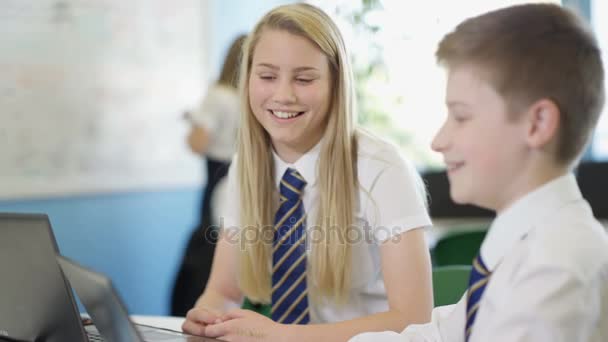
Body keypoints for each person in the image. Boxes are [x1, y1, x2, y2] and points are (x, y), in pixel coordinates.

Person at [351, 3, 607, 342]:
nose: (438, 141)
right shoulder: (521, 240)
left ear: (538, 123)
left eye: (461, 116)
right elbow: (446, 332)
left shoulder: (556, 266)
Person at [181, 3, 434, 341]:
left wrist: (283, 336)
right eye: (267, 76)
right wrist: (208, 317)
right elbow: (224, 290)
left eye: (303, 79)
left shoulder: (382, 169)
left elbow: (413, 318)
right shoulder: (247, 166)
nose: (283, 95)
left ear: (336, 83)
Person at [171, 34, 247, 317]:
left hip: (219, 178)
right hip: (240, 178)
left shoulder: (218, 96)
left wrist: (193, 123)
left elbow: (198, 143)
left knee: (206, 251)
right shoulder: (248, 99)